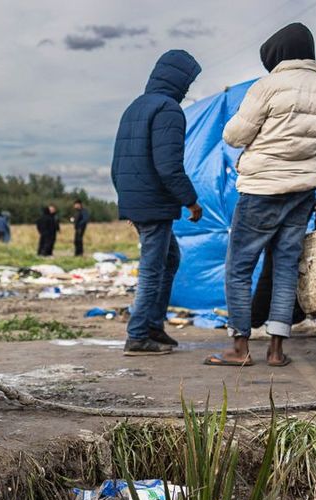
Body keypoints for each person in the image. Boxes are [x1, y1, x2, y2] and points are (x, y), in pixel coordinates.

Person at [207, 23, 316, 368]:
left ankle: (240, 348)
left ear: (278, 55)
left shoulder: (266, 87)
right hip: (303, 193)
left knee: (239, 268)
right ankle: (276, 351)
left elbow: (235, 135)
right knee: (286, 269)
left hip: (260, 191)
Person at [111, 49, 203, 356]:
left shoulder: (135, 108)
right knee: (152, 269)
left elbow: (117, 164)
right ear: (178, 79)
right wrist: (191, 201)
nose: (188, 88)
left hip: (138, 200)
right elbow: (168, 166)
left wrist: (128, 202)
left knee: (169, 259)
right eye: (188, 81)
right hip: (153, 202)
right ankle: (138, 335)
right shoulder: (168, 110)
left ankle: (152, 325)